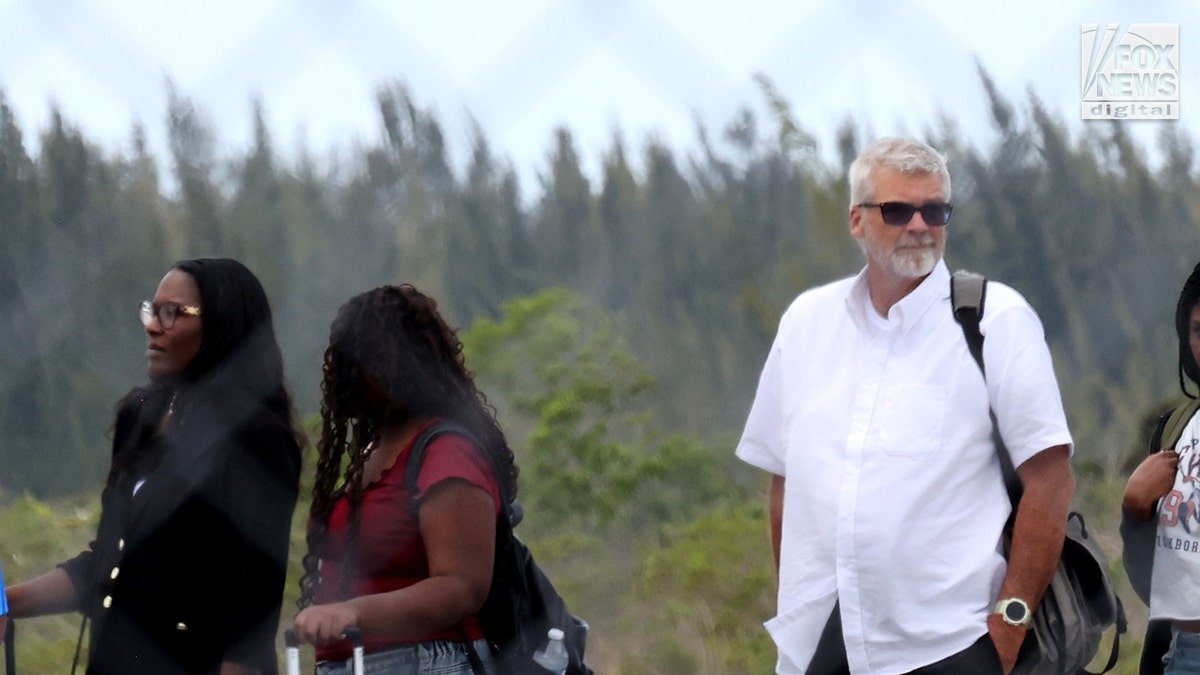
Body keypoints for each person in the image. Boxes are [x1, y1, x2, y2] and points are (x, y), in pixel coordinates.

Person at [735, 137, 1075, 674]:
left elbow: (1051, 481)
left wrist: (1008, 629)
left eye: (934, 210)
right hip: (821, 646)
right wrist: (802, 605)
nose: (919, 225)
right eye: (897, 210)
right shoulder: (806, 322)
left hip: (951, 644)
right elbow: (785, 481)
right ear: (856, 220)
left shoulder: (996, 320)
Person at [4, 258, 302, 674]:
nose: (152, 326)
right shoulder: (139, 416)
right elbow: (107, 563)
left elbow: (254, 608)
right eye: (152, 310)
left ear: (221, 327)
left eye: (172, 313)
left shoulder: (255, 437)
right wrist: (7, 603)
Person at [293, 284, 517, 675]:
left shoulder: (447, 452)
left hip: (427, 663)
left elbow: (461, 587)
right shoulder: (374, 451)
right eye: (339, 359)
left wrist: (353, 612)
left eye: (353, 360)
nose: (338, 372)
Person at [1122, 261, 1200, 675]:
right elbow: (1155, 584)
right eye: (1199, 331)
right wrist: (1135, 509)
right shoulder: (1175, 429)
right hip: (1179, 653)